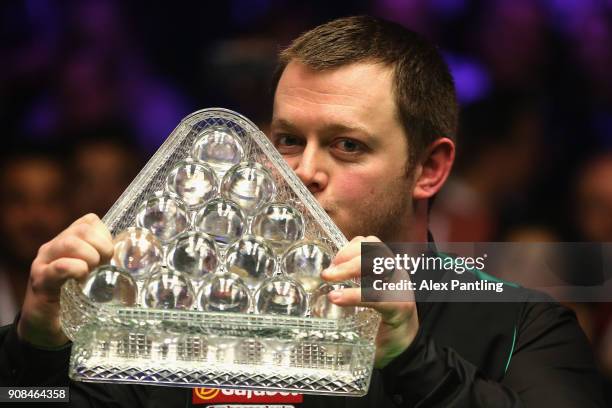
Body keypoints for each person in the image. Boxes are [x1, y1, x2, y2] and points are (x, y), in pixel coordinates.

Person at [0, 16, 605, 407]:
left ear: (430, 169)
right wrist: (37, 350)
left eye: (347, 145)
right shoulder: (193, 308)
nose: (303, 170)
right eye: (287, 139)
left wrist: (412, 359)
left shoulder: (520, 324)